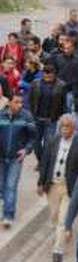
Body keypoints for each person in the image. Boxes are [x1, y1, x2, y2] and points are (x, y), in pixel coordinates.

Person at [37, 114, 78, 262]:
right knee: (54, 216)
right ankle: (66, 232)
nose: (64, 129)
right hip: (53, 185)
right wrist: (41, 183)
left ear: (74, 128)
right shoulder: (52, 142)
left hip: (70, 187)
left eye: (67, 127)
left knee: (63, 219)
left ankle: (58, 249)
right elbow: (45, 162)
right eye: (62, 126)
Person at [0, 92, 36, 228]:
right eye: (16, 102)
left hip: (16, 157)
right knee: (2, 186)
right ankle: (5, 206)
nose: (19, 105)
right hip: (1, 157)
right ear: (9, 102)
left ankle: (8, 214)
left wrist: (26, 150)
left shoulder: (27, 117)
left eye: (21, 102)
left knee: (11, 185)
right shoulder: (1, 115)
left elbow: (33, 137)